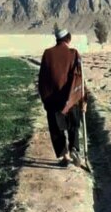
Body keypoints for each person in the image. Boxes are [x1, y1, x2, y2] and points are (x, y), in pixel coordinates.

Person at [38, 27, 88, 167]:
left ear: (57, 39)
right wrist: (84, 98)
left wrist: (45, 98)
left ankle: (65, 156)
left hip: (53, 100)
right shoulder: (73, 53)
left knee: (56, 129)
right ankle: (74, 149)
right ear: (69, 39)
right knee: (73, 127)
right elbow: (80, 77)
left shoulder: (47, 54)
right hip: (71, 98)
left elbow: (42, 78)